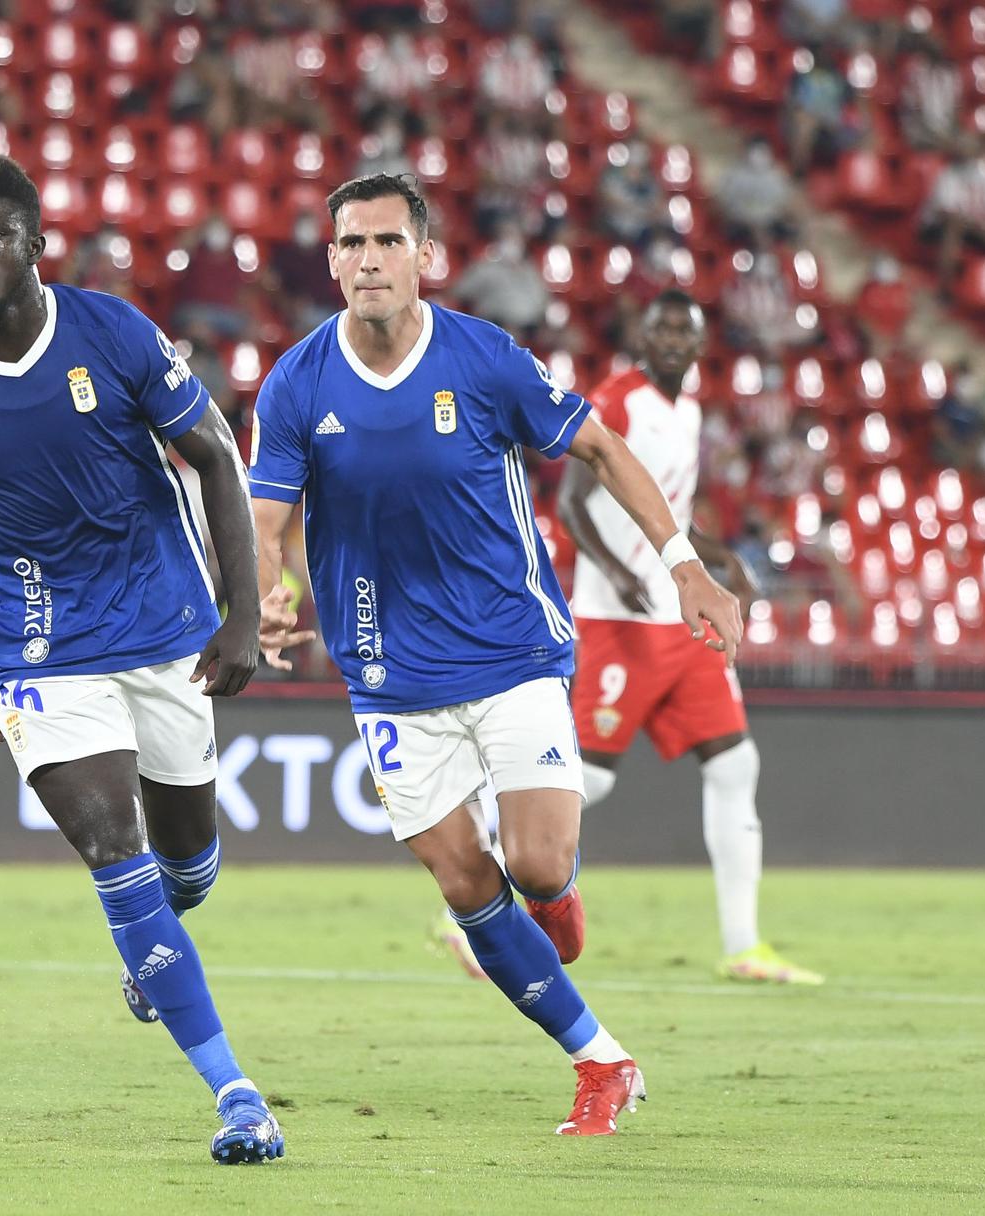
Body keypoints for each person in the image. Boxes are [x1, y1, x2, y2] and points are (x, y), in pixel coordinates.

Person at [251, 174, 744, 1137]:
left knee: (536, 862)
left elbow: (599, 450)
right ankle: (601, 1059)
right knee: (467, 885)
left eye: (389, 242)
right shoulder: (297, 383)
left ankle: (556, 905)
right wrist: (266, 593)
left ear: (425, 257)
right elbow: (266, 518)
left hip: (511, 650)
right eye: (351, 244)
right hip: (386, 673)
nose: (370, 261)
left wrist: (685, 565)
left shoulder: (484, 359)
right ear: (332, 261)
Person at [0, 156, 282, 1165]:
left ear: (31, 246)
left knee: (186, 859)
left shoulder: (111, 334)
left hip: (161, 630)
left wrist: (240, 616)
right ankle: (236, 1093)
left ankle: (159, 936)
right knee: (115, 849)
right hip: (37, 643)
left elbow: (216, 456)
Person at [560, 294, 820, 985]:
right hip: (618, 620)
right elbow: (570, 500)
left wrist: (720, 560)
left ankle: (744, 946)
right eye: (662, 325)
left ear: (702, 344)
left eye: (686, 329)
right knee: (587, 778)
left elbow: (669, 516)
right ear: (641, 332)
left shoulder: (688, 411)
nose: (673, 337)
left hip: (679, 619)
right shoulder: (618, 399)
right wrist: (615, 569)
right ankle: (474, 892)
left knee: (736, 766)